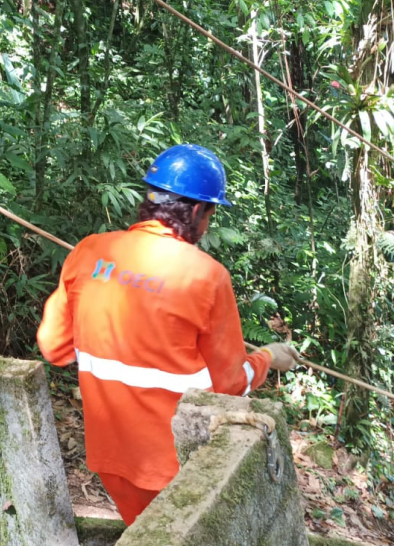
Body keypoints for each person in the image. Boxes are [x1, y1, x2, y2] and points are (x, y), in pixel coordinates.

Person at [36, 144, 300, 525]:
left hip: (110, 458)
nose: (207, 227)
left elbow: (54, 347)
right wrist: (268, 358)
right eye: (210, 214)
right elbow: (228, 385)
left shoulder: (89, 251)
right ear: (196, 210)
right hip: (175, 466)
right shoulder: (207, 276)